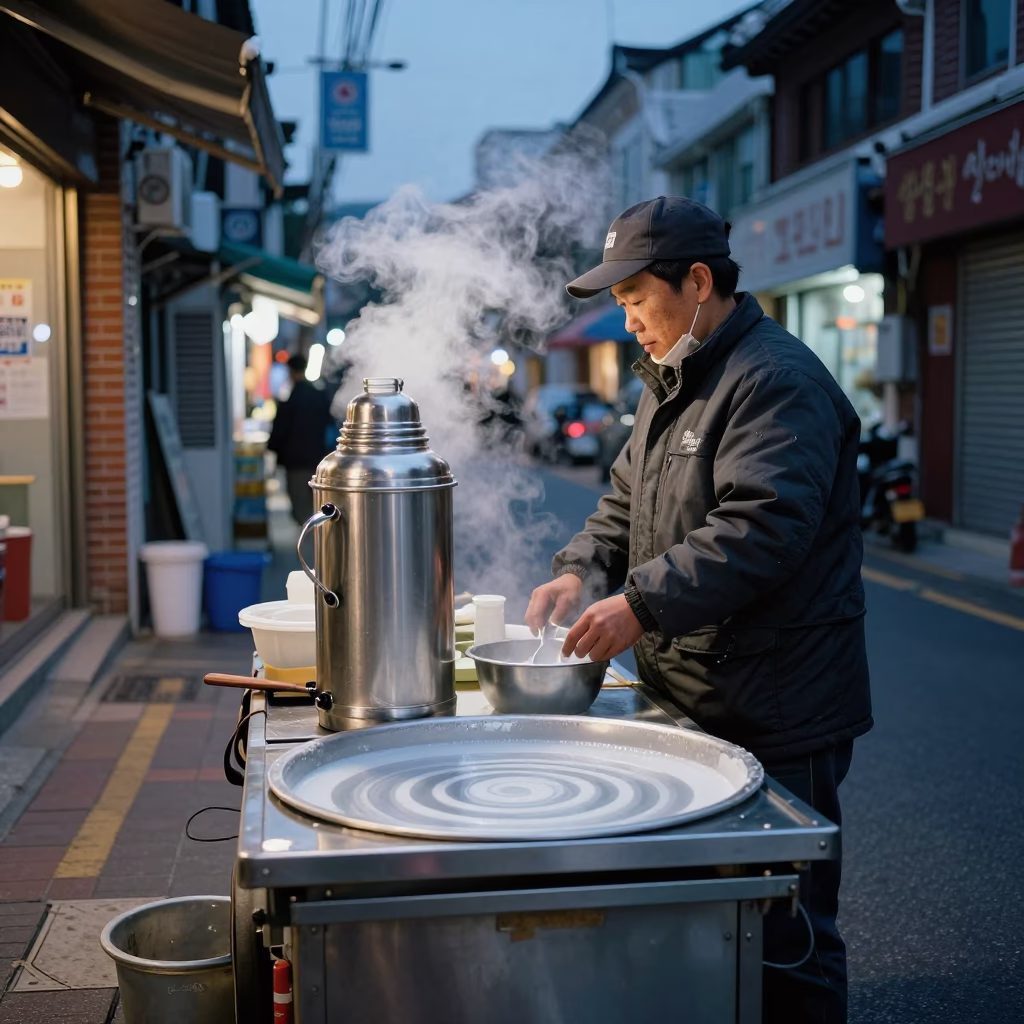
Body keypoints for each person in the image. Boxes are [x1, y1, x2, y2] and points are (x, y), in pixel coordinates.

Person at [525, 197, 872, 1024]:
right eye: (619, 304)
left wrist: (637, 605)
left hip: (780, 704)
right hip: (698, 696)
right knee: (713, 922)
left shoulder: (775, 380)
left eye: (638, 297)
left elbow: (761, 531)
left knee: (788, 935)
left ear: (699, 281)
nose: (629, 319)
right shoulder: (671, 380)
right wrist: (580, 570)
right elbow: (622, 501)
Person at [268, 354, 336, 526]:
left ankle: (311, 546)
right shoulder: (320, 397)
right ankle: (320, 545)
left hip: (296, 464)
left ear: (290, 371)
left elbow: (279, 433)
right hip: (320, 462)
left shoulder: (289, 400)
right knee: (320, 506)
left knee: (301, 510)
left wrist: (275, 451)